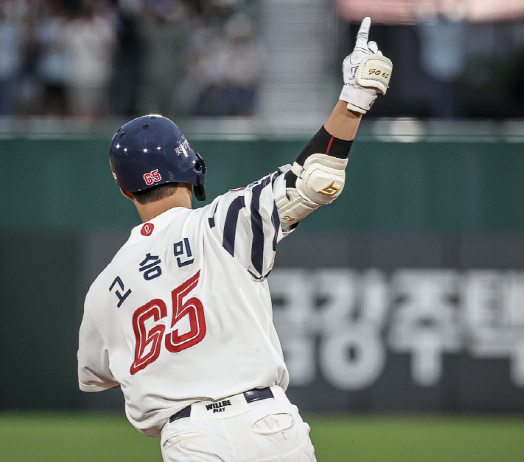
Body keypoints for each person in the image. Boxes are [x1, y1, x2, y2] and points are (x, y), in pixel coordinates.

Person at [77, 17, 391, 462]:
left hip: (190, 440)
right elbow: (316, 179)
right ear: (191, 167)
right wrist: (354, 99)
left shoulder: (104, 290)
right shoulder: (224, 220)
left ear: (124, 188)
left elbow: (94, 375)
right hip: (269, 427)